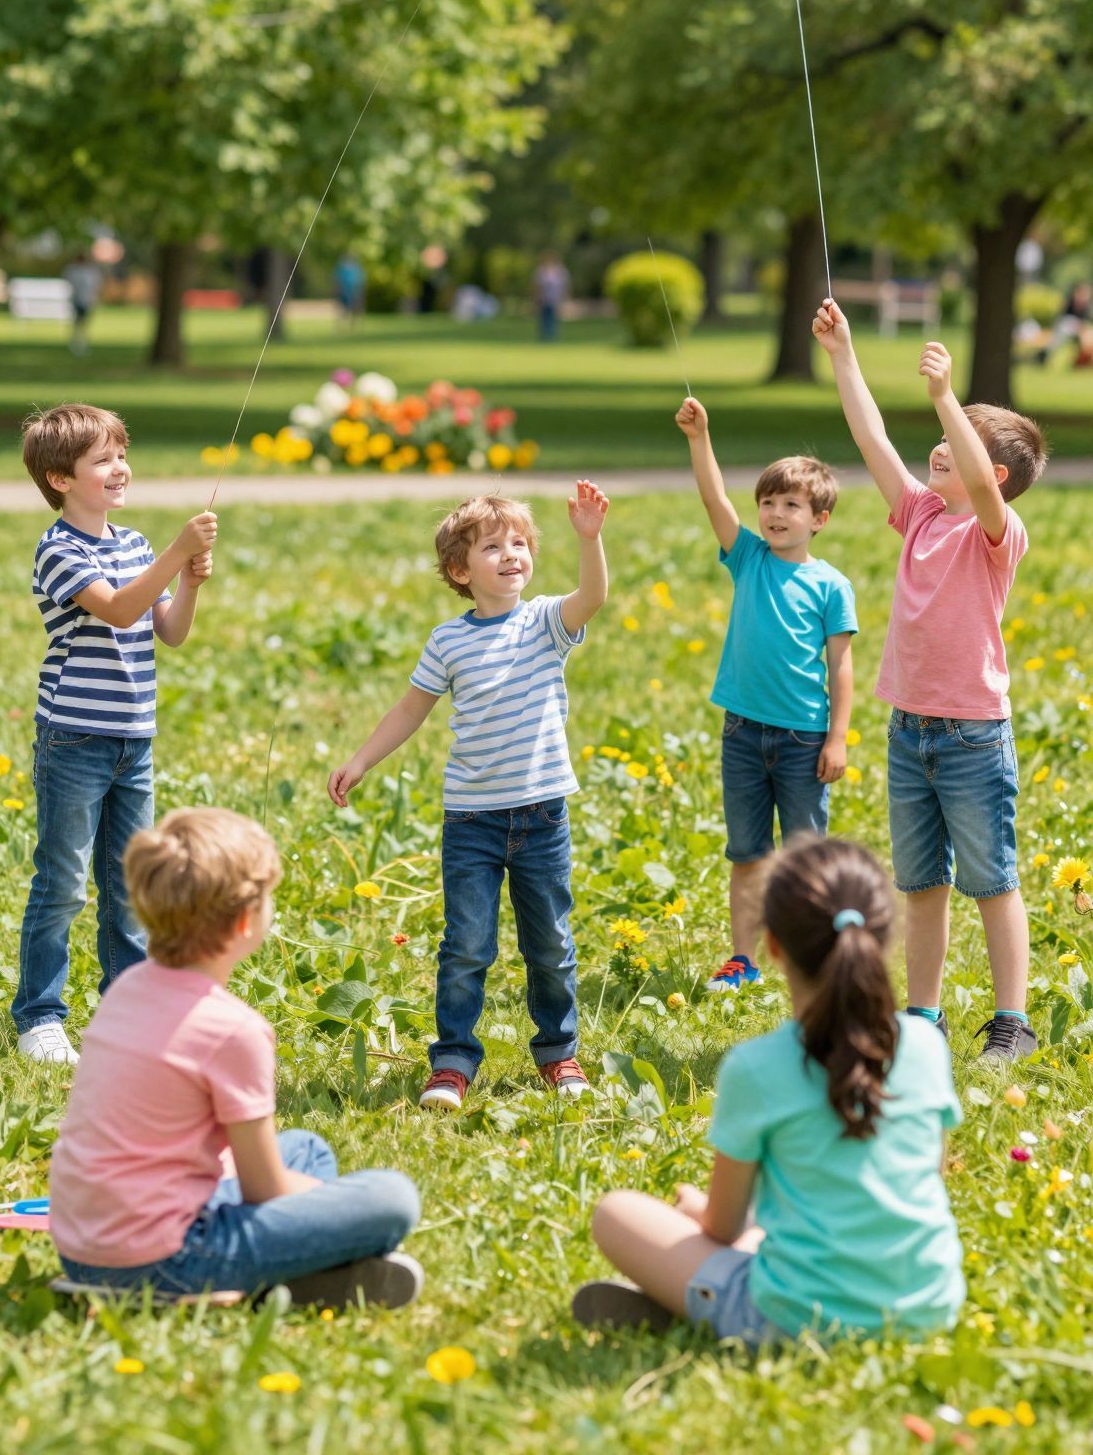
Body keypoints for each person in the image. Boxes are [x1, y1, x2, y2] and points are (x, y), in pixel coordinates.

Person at [573, 834, 964, 1346]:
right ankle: (704, 1293)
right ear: (882, 936)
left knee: (615, 1214)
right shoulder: (925, 1046)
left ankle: (705, 1307)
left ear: (773, 946)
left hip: (798, 1319)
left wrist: (696, 1212)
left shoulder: (757, 1068)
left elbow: (722, 1228)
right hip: (929, 1306)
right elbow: (923, 1184)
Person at [49, 807, 422, 1307]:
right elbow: (264, 1189)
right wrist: (319, 1201)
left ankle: (289, 1270)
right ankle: (262, 1274)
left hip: (80, 1246)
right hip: (164, 1257)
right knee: (391, 1198)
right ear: (247, 920)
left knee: (306, 1148)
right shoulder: (234, 1031)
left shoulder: (127, 988)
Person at [813, 299, 1048, 1063]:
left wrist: (949, 399)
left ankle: (1011, 1022)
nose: (939, 448)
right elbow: (870, 435)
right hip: (909, 727)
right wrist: (843, 352)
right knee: (921, 886)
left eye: (957, 442)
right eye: (942, 438)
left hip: (973, 733)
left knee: (992, 879)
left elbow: (979, 484)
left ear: (995, 471)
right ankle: (923, 1017)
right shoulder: (917, 514)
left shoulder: (994, 532)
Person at [328, 486, 609, 1109]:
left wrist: (588, 539)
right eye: (492, 547)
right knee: (467, 945)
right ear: (461, 570)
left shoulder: (544, 623)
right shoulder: (448, 642)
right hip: (472, 822)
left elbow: (593, 597)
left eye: (520, 544)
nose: (511, 555)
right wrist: (361, 760)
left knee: (552, 945)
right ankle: (453, 1062)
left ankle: (559, 1053)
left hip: (542, 816)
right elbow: (410, 708)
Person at [13, 404, 218, 1065]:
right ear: (59, 479)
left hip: (135, 738)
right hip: (74, 738)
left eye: (121, 453)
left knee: (131, 884)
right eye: (101, 459)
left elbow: (168, 629)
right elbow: (121, 606)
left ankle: (127, 1009)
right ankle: (40, 1014)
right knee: (65, 881)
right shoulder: (60, 549)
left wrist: (186, 583)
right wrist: (176, 553)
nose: (118, 468)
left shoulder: (131, 544)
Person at [675, 397, 857, 994]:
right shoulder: (748, 557)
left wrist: (837, 739)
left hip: (805, 738)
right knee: (748, 853)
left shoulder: (831, 585)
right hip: (743, 732)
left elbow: (841, 666)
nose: (775, 514)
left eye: (790, 505)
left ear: (819, 518)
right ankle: (742, 958)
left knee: (805, 855)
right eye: (768, 503)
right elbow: (713, 499)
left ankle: (815, 953)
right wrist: (701, 438)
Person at [63, 250, 102, 355]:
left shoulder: (90, 271)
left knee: (84, 323)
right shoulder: (73, 270)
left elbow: (95, 285)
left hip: (86, 300)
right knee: (77, 322)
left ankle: (82, 342)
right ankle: (76, 342)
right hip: (77, 300)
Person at [534, 253, 571, 342]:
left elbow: (564, 285)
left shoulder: (560, 271)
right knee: (544, 317)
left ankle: (552, 335)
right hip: (544, 298)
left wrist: (565, 296)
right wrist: (537, 296)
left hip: (555, 298)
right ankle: (545, 335)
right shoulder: (541, 271)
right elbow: (537, 286)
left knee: (553, 317)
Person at [334, 252, 365, 323]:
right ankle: (342, 324)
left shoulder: (357, 269)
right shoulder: (341, 268)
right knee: (343, 309)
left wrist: (360, 291)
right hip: (343, 292)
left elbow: (361, 280)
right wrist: (337, 289)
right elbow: (337, 280)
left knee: (356, 308)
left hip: (355, 292)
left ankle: (355, 323)